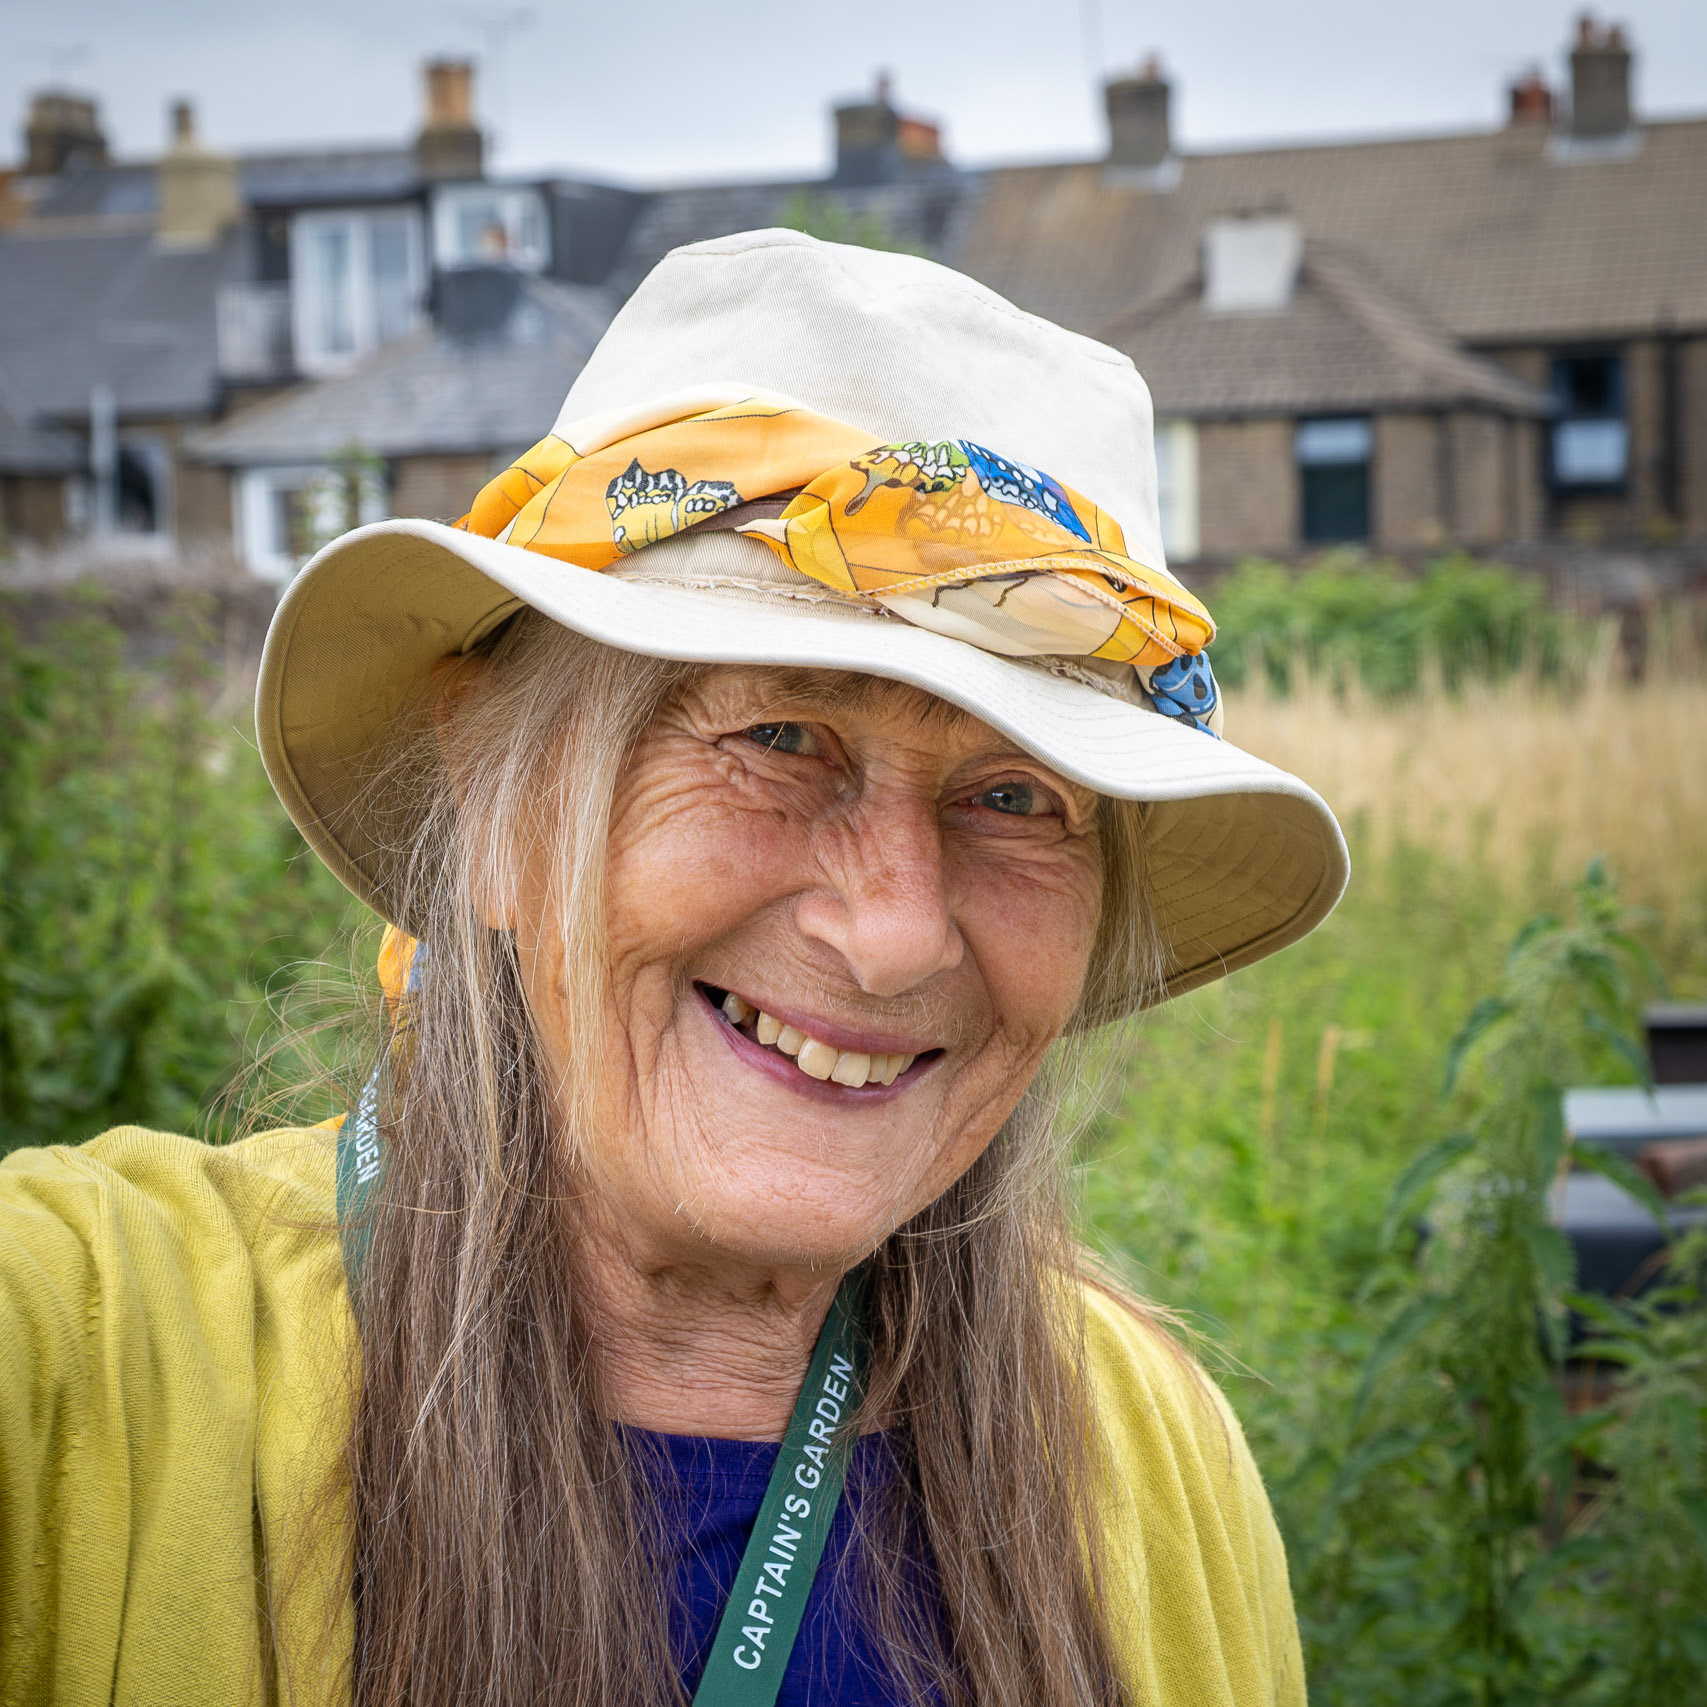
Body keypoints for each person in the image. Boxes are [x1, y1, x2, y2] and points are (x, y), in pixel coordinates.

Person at [0, 230, 1347, 1707]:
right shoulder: (82, 1358)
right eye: (778, 738)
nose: (893, 931)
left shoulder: (1147, 1454)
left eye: (1019, 799)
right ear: (498, 795)